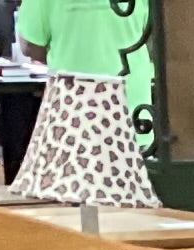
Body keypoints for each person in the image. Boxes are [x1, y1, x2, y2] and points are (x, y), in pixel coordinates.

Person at [13, 0, 153, 147]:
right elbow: (158, 34)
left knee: (72, 165)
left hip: (73, 111)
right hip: (132, 107)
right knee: (135, 165)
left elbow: (30, 44)